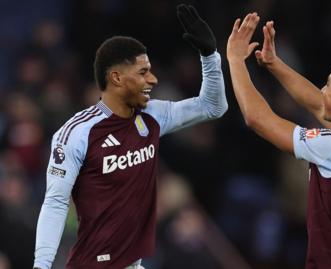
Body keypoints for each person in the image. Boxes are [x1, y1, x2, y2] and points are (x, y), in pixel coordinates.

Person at [33, 4, 227, 269]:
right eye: (143, 72)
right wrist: (41, 266)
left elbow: (213, 107)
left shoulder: (152, 115)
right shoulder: (76, 133)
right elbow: (55, 203)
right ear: (116, 78)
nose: (153, 80)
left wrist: (209, 56)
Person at [227, 13, 331, 268]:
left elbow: (258, 119)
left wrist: (236, 60)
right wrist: (274, 64)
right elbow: (318, 104)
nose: (322, 90)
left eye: (328, 85)